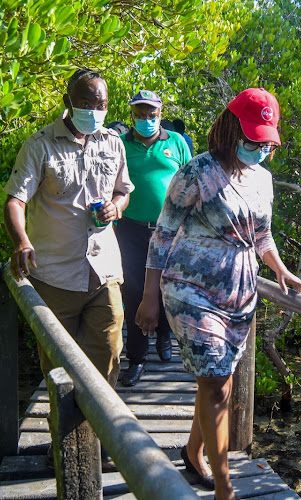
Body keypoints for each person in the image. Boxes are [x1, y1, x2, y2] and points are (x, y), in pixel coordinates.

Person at [135, 88, 301, 500]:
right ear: (231, 129)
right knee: (215, 382)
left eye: (266, 143)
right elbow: (162, 235)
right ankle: (224, 486)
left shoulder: (263, 179)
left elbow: (262, 235)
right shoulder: (196, 172)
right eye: (253, 140)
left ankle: (193, 452)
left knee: (222, 383)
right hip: (190, 288)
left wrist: (282, 271)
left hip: (241, 291)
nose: (260, 149)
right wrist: (148, 298)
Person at [4, 68, 133, 388]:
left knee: (108, 354)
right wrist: (21, 242)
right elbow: (15, 201)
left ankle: (98, 433)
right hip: (55, 275)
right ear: (67, 101)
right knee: (59, 367)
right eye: (86, 102)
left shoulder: (113, 143)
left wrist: (116, 207)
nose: (94, 110)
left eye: (101, 104)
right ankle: (68, 436)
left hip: (104, 271)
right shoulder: (40, 145)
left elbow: (123, 190)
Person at [116, 90, 192, 386]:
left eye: (152, 114)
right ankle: (136, 359)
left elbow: (190, 181)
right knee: (134, 293)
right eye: (140, 114)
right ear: (132, 115)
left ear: (160, 114)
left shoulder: (176, 143)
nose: (146, 119)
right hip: (131, 229)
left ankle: (164, 337)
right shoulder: (120, 144)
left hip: (169, 231)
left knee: (165, 288)